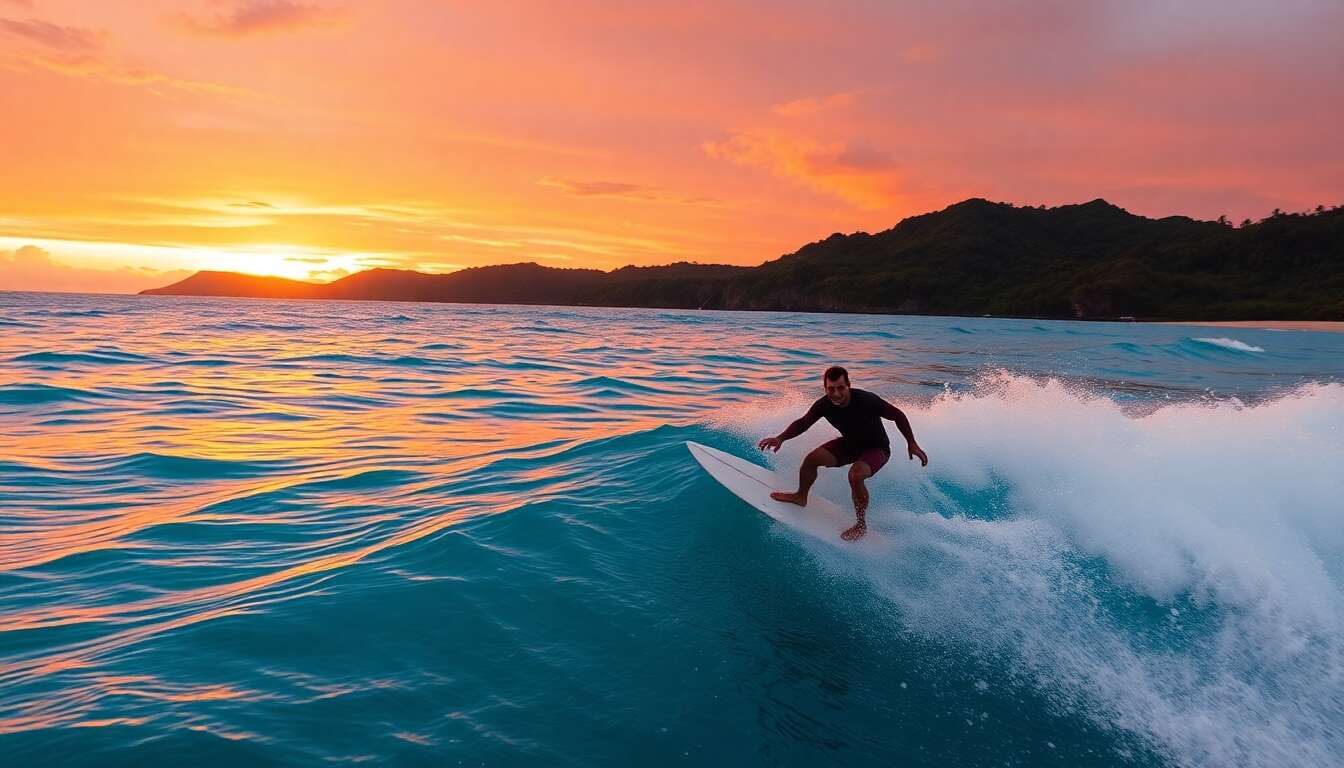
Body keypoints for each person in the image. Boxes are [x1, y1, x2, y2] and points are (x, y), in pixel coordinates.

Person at [758, 366, 928, 540]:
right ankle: (800, 496)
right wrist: (780, 438)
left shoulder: (866, 400)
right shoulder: (823, 405)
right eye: (831, 389)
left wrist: (912, 443)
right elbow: (803, 423)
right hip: (850, 444)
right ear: (825, 388)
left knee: (855, 475)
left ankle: (861, 524)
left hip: (876, 448)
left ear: (849, 386)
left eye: (841, 388)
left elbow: (898, 415)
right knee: (811, 459)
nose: (836, 393)